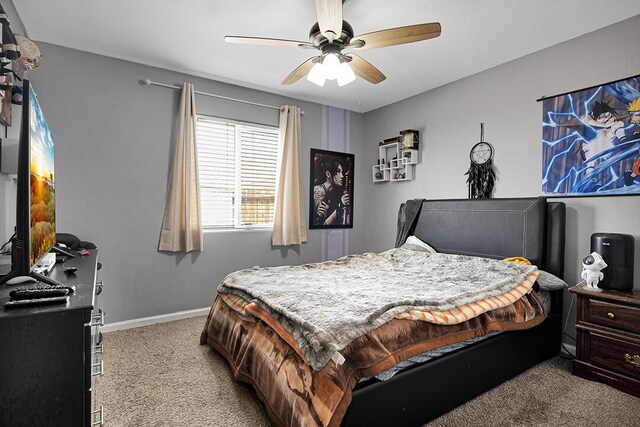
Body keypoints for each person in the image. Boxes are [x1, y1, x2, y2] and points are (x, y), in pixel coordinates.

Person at [312, 158, 350, 226]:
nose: (342, 176)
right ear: (328, 174)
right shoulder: (319, 191)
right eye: (338, 171)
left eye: (341, 172)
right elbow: (321, 225)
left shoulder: (333, 192)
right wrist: (340, 206)